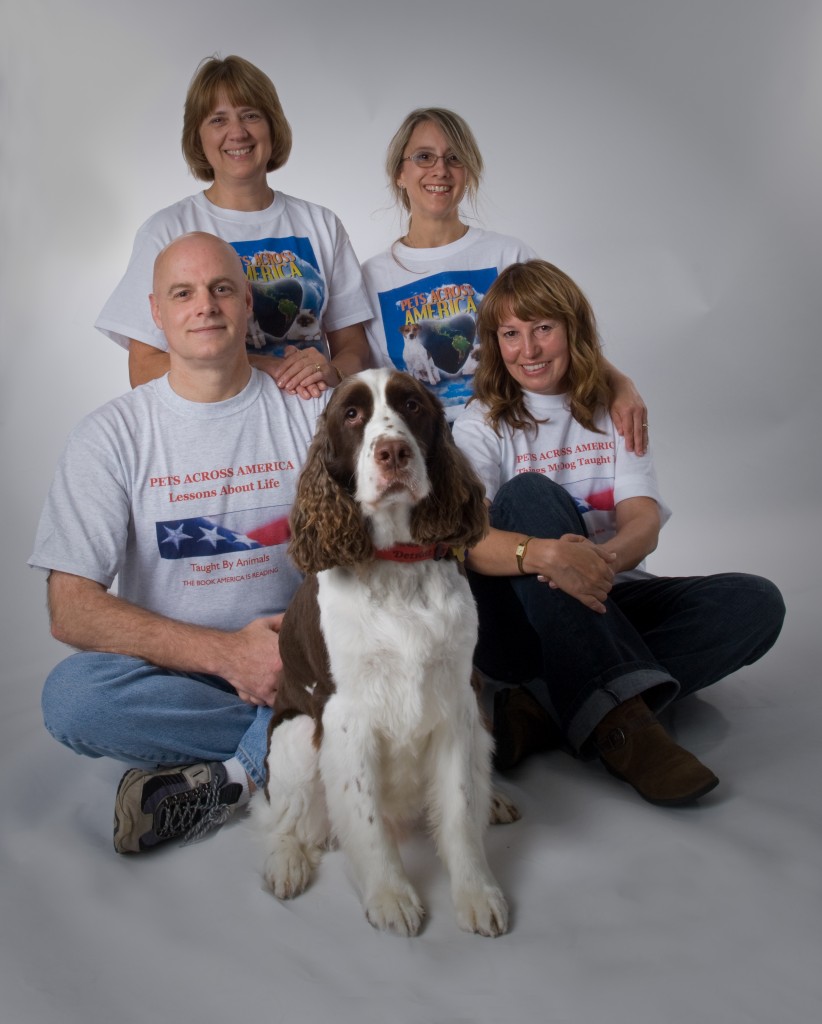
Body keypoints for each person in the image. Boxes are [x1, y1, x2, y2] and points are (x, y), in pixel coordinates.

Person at [30, 232, 332, 853]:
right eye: (183, 293)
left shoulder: (312, 412)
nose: (205, 306)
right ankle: (304, 746)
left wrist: (294, 653)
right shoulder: (110, 435)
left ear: (247, 302)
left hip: (307, 657)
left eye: (221, 289)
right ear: (156, 312)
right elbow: (71, 609)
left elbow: (371, 554)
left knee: (369, 650)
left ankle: (232, 780)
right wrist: (229, 655)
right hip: (180, 674)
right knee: (72, 699)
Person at [452, 259, 785, 806]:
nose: (528, 350)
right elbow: (467, 542)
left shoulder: (615, 412)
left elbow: (643, 524)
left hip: (609, 596)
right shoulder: (480, 423)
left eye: (542, 328)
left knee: (755, 603)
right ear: (495, 344)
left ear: (572, 329)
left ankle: (546, 706)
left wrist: (593, 564)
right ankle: (626, 731)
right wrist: (549, 556)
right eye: (510, 334)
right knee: (529, 493)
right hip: (513, 625)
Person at [362, 107, 647, 444]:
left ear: (469, 172)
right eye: (424, 157)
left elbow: (566, 338)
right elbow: (369, 383)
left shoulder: (509, 256)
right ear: (399, 173)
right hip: (424, 449)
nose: (440, 170)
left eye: (454, 158)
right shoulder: (372, 277)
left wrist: (620, 383)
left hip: (515, 440)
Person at [96, 55, 372, 398]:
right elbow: (143, 369)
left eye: (251, 115)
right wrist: (260, 365)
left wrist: (331, 370)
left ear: (272, 126)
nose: (237, 133)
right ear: (197, 137)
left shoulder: (321, 225)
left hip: (312, 421)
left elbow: (355, 350)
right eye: (218, 120)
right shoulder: (166, 231)